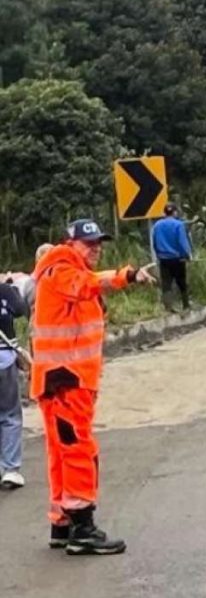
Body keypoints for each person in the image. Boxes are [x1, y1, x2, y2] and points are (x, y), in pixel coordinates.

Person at [31, 218, 156, 554]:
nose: (96, 249)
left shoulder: (65, 270)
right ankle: (83, 529)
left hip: (63, 378)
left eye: (99, 243)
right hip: (67, 379)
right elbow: (87, 285)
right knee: (78, 451)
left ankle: (63, 522)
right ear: (69, 244)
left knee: (62, 452)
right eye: (89, 243)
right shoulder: (62, 270)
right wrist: (127, 275)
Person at [0, 277, 26, 489]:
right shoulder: (4, 290)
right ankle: (10, 469)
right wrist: (11, 286)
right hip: (4, 360)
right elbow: (20, 308)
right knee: (10, 414)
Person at [151, 203, 193, 311]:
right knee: (181, 282)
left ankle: (168, 307)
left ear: (164, 213)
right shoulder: (179, 225)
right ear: (174, 212)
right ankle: (186, 305)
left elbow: (155, 243)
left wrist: (158, 254)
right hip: (178, 259)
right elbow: (182, 242)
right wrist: (187, 255)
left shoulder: (157, 225)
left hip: (164, 259)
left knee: (166, 283)